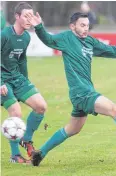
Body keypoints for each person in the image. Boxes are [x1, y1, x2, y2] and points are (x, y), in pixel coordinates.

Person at [24, 11, 116, 166]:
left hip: (83, 93)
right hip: (82, 93)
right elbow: (48, 39)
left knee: (72, 129)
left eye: (87, 25)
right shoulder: (66, 38)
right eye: (82, 25)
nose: (86, 28)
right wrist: (39, 27)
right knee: (114, 109)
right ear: (72, 26)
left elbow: (111, 50)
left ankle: (40, 154)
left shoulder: (90, 42)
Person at [1, 2, 47, 164]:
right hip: (2, 80)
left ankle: (26, 139)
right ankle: (15, 155)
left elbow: (22, 60)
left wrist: (25, 81)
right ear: (17, 17)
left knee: (41, 106)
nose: (30, 19)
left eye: (31, 15)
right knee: (16, 113)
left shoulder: (26, 37)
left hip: (18, 79)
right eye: (26, 16)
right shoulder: (4, 35)